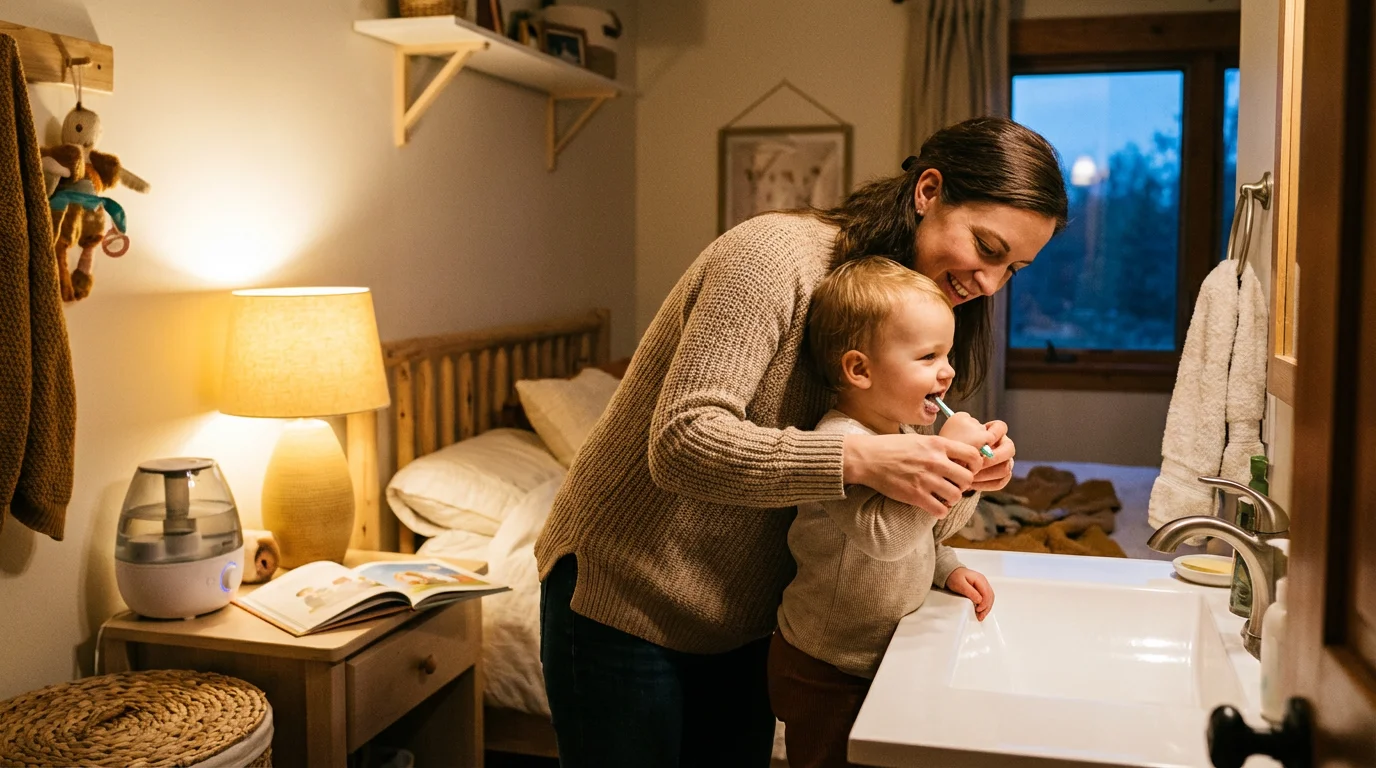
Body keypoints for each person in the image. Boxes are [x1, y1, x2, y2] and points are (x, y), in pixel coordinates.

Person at [535, 116, 1068, 768]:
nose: (988, 283)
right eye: (987, 247)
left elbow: (879, 510)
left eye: (1013, 269)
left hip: (754, 616)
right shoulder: (772, 257)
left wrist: (959, 475)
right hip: (626, 598)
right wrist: (860, 458)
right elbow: (682, 441)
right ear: (928, 190)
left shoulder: (913, 311)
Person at [768, 256, 996, 768]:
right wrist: (952, 461)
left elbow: (926, 534)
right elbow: (883, 536)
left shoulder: (906, 434)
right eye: (928, 355)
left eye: (949, 353)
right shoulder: (839, 441)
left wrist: (948, 561)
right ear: (859, 370)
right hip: (826, 665)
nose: (948, 370)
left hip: (885, 653)